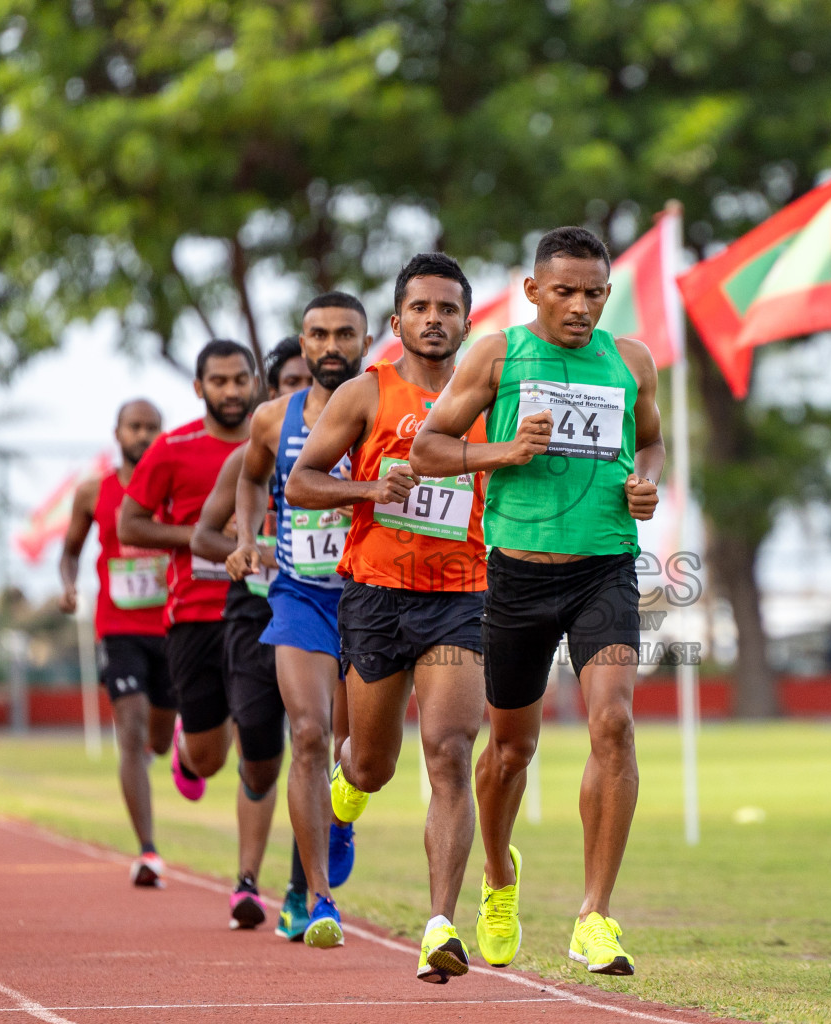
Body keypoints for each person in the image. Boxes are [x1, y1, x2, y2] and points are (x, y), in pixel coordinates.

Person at [411, 226, 663, 977]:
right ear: (532, 292)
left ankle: (595, 916)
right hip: (516, 576)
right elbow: (428, 447)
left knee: (612, 724)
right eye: (565, 292)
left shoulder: (633, 361)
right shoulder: (497, 354)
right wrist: (504, 452)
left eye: (593, 293)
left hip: (605, 569)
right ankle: (497, 875)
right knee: (511, 750)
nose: (580, 306)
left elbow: (649, 442)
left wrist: (643, 481)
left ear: (608, 296)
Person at [285, 253, 488, 983]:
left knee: (450, 751)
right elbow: (303, 483)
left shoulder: (490, 397)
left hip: (464, 598)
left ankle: (440, 925)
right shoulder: (367, 394)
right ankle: (345, 788)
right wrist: (372, 488)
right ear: (397, 321)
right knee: (372, 766)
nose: (435, 320)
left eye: (449, 309)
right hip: (376, 597)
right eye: (422, 308)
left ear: (468, 322)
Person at [226, 293, 370, 949]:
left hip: (374, 598)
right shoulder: (271, 418)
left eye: (345, 333)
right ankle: (319, 898)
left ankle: (343, 808)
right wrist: (250, 533)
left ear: (368, 340)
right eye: (319, 334)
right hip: (301, 596)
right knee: (309, 734)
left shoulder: (384, 410)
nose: (332, 344)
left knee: (360, 754)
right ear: (302, 343)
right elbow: (253, 479)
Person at [117, 338, 272, 930]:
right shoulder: (173, 448)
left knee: (260, 747)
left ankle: (246, 883)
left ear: (254, 381)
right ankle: (188, 742)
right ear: (199, 387)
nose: (231, 391)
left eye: (240, 380)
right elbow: (129, 523)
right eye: (219, 381)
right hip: (195, 616)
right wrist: (206, 537)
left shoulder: (278, 440)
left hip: (260, 612)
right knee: (209, 760)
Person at [189, 337, 323, 942]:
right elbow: (203, 537)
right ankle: (247, 878)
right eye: (291, 379)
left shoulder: (353, 442)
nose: (303, 388)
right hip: (255, 612)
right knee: (263, 753)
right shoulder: (257, 449)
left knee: (316, 744)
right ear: (275, 391)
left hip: (332, 607)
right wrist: (247, 548)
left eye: (310, 378)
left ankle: (302, 889)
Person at [58, 398, 173, 887]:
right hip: (118, 627)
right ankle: (148, 852)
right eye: (135, 426)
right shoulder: (93, 493)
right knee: (130, 727)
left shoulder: (176, 488)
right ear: (118, 432)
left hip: (174, 625)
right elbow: (69, 552)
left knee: (160, 739)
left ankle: (153, 751)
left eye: (152, 427)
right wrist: (68, 584)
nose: (143, 435)